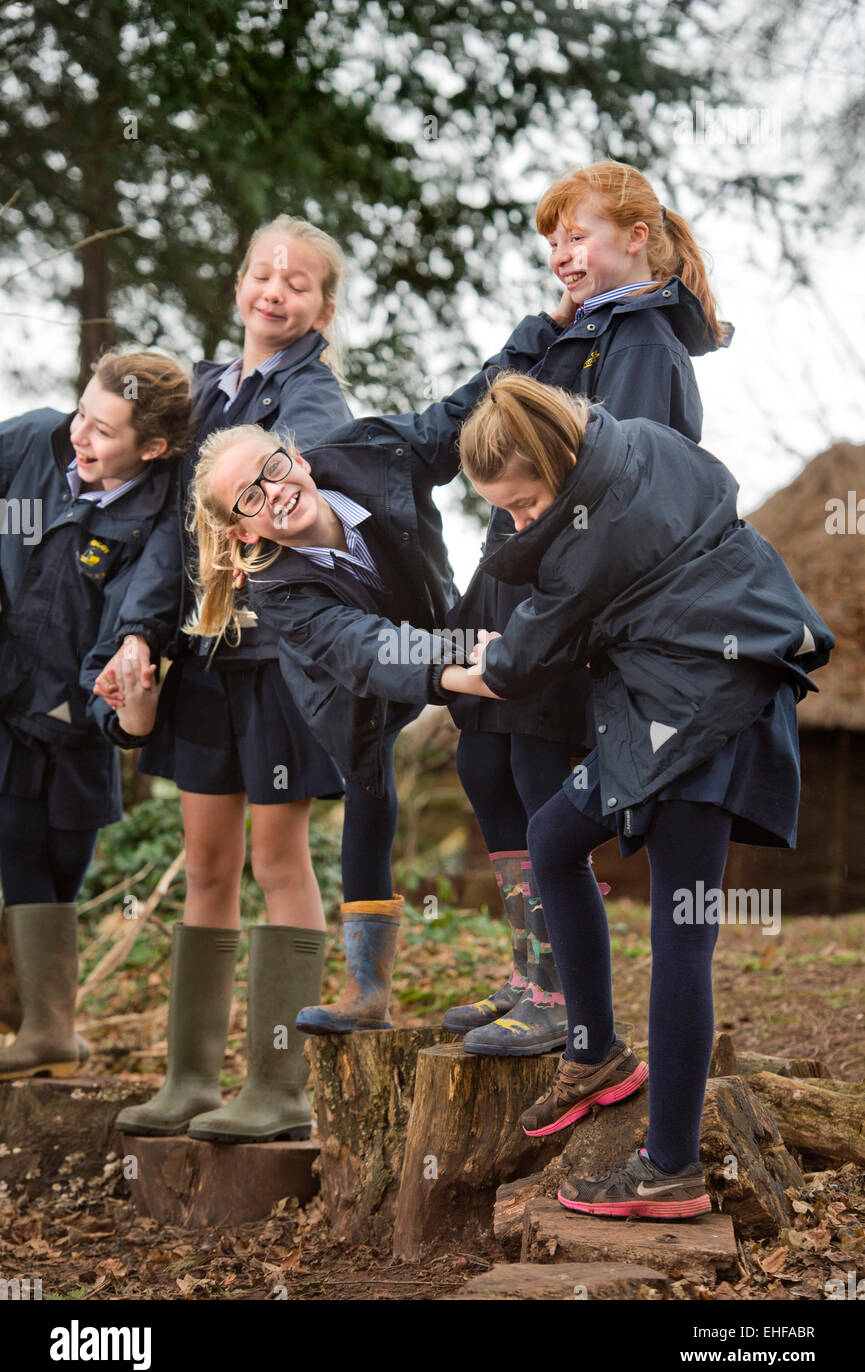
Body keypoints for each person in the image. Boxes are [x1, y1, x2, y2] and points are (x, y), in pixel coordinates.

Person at [102, 303, 568, 1140]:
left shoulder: (364, 453)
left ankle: (538, 974)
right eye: (248, 498)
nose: (273, 493)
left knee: (491, 771)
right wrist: (469, 663)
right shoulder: (279, 588)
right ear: (238, 529)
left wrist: (545, 327)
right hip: (357, 684)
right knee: (369, 792)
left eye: (274, 468)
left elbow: (455, 414)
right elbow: (369, 649)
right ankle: (365, 989)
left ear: (296, 455)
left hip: (437, 616)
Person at [439, 373, 833, 1219]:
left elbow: (514, 666)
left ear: (558, 461)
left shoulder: (591, 533)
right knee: (551, 840)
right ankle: (595, 1054)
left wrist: (446, 667)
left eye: (523, 502)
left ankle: (669, 1169)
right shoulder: (637, 443)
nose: (515, 523)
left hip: (705, 716)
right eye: (501, 511)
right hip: (684, 695)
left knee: (681, 936)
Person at [445, 159, 733, 1058]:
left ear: (635, 237)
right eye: (553, 241)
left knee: (534, 771)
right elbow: (498, 422)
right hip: (511, 567)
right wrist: (544, 330)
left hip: (564, 590)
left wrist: (552, 613)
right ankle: (532, 967)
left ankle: (560, 992)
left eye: (579, 235)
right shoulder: (582, 330)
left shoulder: (643, 344)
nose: (562, 255)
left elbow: (619, 492)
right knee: (484, 766)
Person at [92, 217, 354, 1144]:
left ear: (324, 307)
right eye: (262, 274)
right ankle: (188, 1081)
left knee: (277, 861)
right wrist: (136, 632)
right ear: (238, 284)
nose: (274, 292)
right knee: (206, 863)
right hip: (201, 661)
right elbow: (165, 530)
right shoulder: (200, 391)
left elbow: (302, 519)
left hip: (279, 661)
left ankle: (277, 1089)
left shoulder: (317, 404)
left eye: (298, 282)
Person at [0, 348, 191, 1081]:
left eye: (103, 432)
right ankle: (45, 1028)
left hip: (79, 708)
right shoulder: (34, 442)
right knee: (14, 832)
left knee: (65, 851)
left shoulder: (156, 518)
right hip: (9, 689)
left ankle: (52, 1023)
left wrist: (121, 689)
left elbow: (134, 616)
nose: (81, 436)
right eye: (83, 413)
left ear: (152, 448)